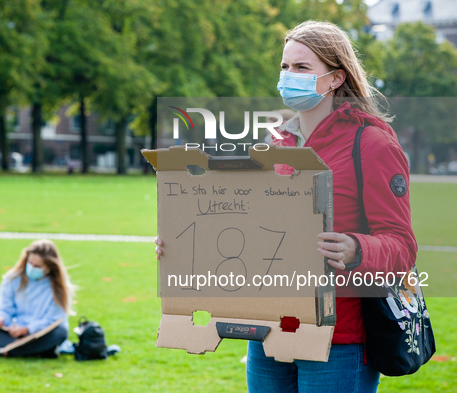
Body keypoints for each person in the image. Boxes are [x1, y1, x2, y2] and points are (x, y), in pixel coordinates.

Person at [155, 20, 416, 393]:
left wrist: (356, 248)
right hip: (268, 332)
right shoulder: (275, 142)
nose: (288, 76)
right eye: (284, 67)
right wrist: (183, 246)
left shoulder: (372, 145)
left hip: (338, 341)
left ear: (335, 79)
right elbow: (248, 228)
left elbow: (402, 246)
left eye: (302, 68)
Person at [0, 239, 75, 358]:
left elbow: (54, 320)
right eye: (30, 263)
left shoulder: (58, 288)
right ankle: (40, 352)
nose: (32, 267)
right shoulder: (13, 279)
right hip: (12, 332)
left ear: (48, 267)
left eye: (37, 266)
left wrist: (27, 329)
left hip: (39, 334)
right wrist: (1, 319)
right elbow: (4, 307)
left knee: (61, 333)